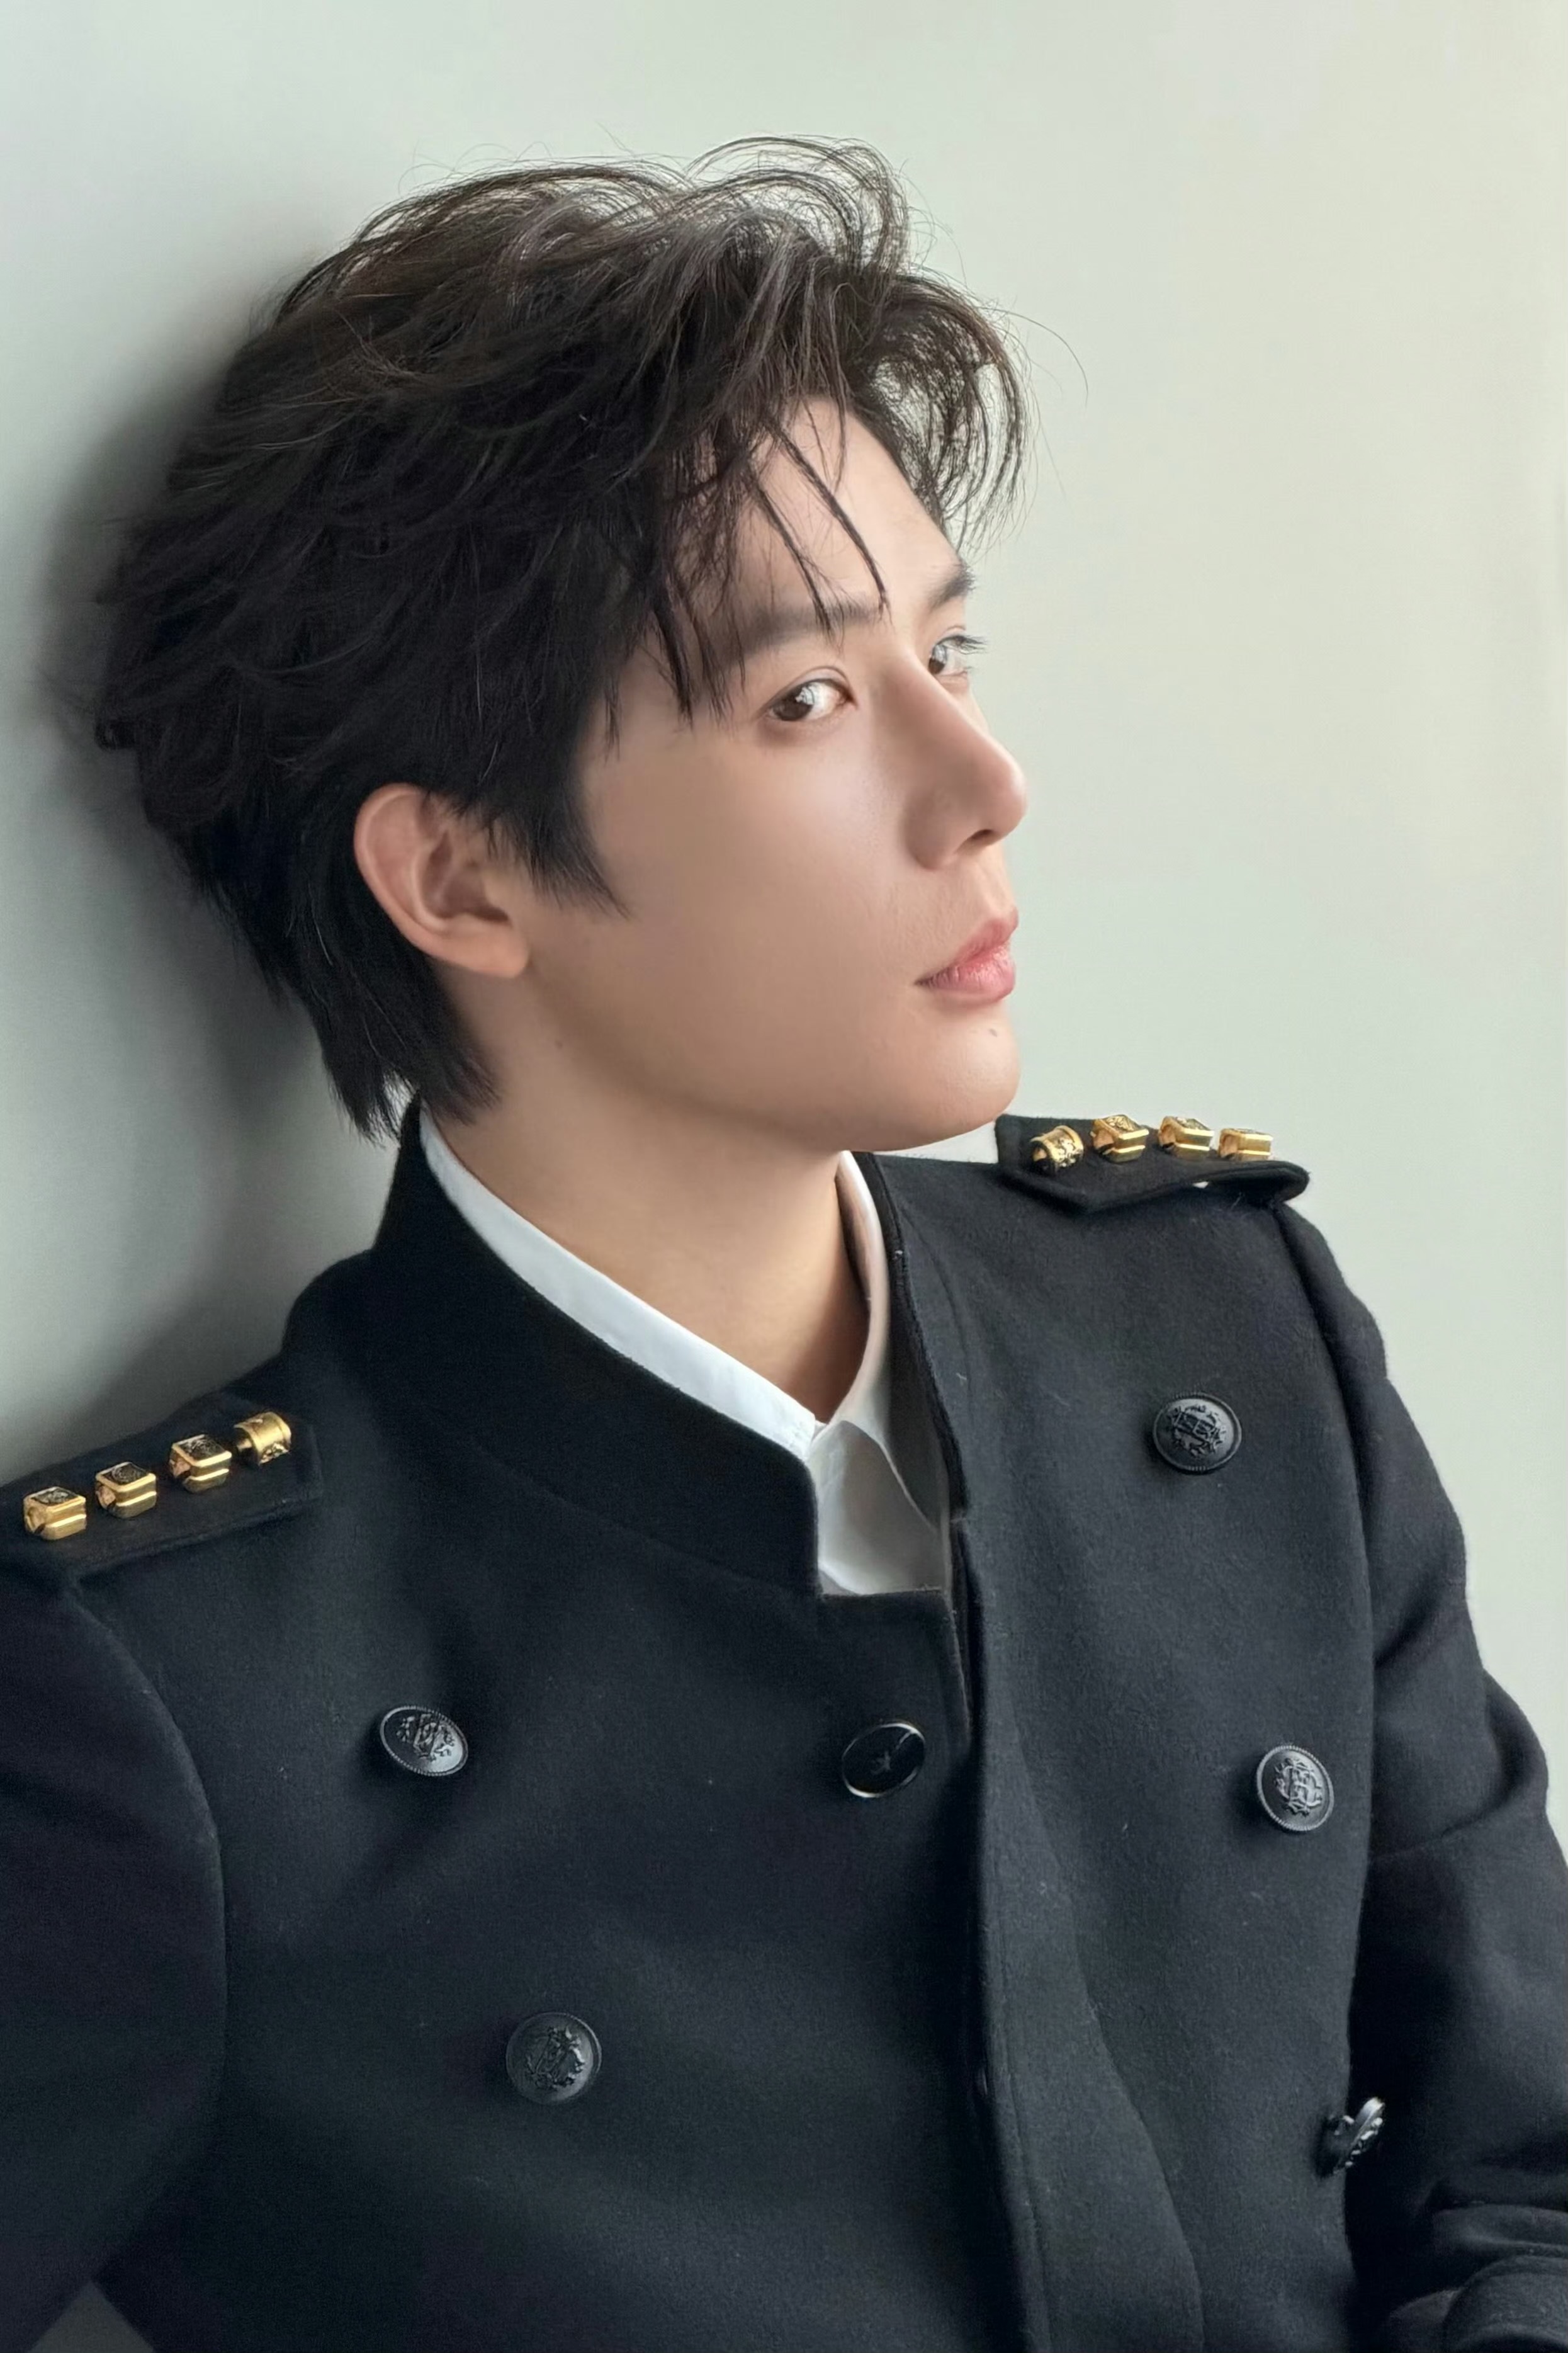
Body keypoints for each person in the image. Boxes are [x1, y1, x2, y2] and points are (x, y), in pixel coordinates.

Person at [1, 137, 1563, 2353]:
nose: (983, 779)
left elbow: (1527, 2169)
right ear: (461, 879)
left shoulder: (1223, 1327)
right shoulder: (165, 1683)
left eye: (946, 647)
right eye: (807, 700)